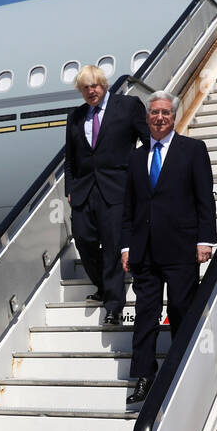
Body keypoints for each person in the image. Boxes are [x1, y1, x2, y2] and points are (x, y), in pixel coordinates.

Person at [121, 91, 216, 404]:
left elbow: (205, 198)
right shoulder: (136, 157)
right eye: (154, 113)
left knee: (180, 310)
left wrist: (205, 239)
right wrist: (125, 247)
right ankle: (145, 377)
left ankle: (180, 371)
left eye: (165, 113)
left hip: (181, 248)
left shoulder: (193, 150)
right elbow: (130, 208)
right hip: (144, 250)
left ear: (174, 117)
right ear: (147, 117)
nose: (159, 118)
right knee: (145, 315)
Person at [64, 64, 150, 325]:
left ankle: (113, 306)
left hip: (117, 188)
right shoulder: (76, 116)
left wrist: (137, 174)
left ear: (104, 84)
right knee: (84, 239)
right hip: (84, 190)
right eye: (85, 88)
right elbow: (71, 158)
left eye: (95, 85)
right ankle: (103, 285)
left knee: (113, 245)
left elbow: (148, 141)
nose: (91, 91)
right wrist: (69, 188)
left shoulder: (128, 106)